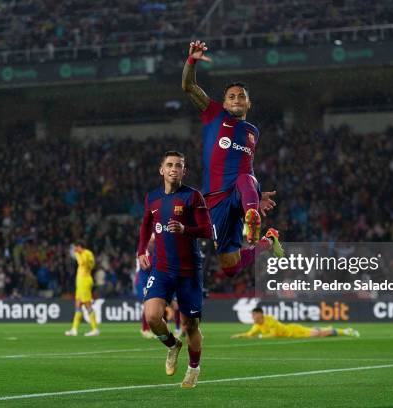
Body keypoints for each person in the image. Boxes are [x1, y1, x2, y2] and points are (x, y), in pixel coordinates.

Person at [182, 40, 284, 279]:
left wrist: (254, 199)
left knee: (246, 177)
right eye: (231, 96)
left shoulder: (253, 131)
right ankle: (268, 241)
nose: (236, 99)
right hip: (216, 201)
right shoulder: (215, 115)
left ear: (248, 103)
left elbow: (245, 169)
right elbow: (188, 86)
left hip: (240, 192)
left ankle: (252, 217)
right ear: (225, 103)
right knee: (230, 267)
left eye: (241, 96)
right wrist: (192, 61)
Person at [137, 151, 213, 388]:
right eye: (169, 165)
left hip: (189, 271)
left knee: (191, 325)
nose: (173, 169)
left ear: (183, 171)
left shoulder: (193, 197)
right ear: (161, 170)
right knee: (151, 316)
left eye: (178, 165)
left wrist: (185, 229)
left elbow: (208, 230)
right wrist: (142, 251)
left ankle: (193, 368)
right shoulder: (153, 198)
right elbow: (145, 226)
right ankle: (172, 345)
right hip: (162, 268)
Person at [231, 307, 360, 339]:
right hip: (292, 334)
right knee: (318, 333)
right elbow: (249, 334)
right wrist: (239, 336)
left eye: (254, 314)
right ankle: (342, 330)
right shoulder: (256, 326)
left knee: (317, 334)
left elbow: (274, 334)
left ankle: (346, 331)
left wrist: (259, 336)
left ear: (260, 314)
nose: (252, 317)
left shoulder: (270, 319)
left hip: (293, 330)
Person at [65, 241, 99, 337]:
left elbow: (86, 264)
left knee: (87, 304)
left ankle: (95, 329)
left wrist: (78, 254)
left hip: (85, 281)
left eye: (76, 247)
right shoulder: (81, 253)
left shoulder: (86, 253)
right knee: (78, 305)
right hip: (80, 282)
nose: (75, 250)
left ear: (80, 247)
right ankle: (74, 329)